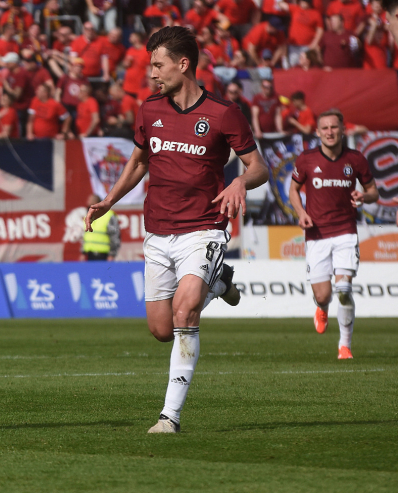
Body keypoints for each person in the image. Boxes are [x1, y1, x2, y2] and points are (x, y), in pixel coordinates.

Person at [84, 27, 268, 434]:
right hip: (158, 231)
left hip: (203, 229)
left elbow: (258, 167)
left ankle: (170, 416)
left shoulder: (223, 113)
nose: (152, 73)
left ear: (183, 65)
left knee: (185, 313)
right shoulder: (150, 110)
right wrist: (108, 200)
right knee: (161, 330)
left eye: (157, 64)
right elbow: (137, 163)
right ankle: (218, 284)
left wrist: (239, 181)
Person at [288, 110, 378, 359]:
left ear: (342, 130)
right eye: (324, 128)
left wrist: (364, 196)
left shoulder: (356, 159)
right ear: (317, 132)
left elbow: (374, 192)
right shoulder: (306, 159)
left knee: (344, 290)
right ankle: (321, 306)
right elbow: (293, 189)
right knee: (323, 294)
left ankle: (345, 345)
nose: (329, 132)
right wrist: (301, 213)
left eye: (334, 128)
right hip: (316, 235)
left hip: (345, 233)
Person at [81, 194, 120, 260]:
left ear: (96, 202)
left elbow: (114, 236)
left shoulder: (109, 215)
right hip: (89, 254)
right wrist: (83, 253)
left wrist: (112, 254)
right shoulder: (87, 216)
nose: (88, 202)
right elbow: (85, 236)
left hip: (104, 255)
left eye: (90, 200)